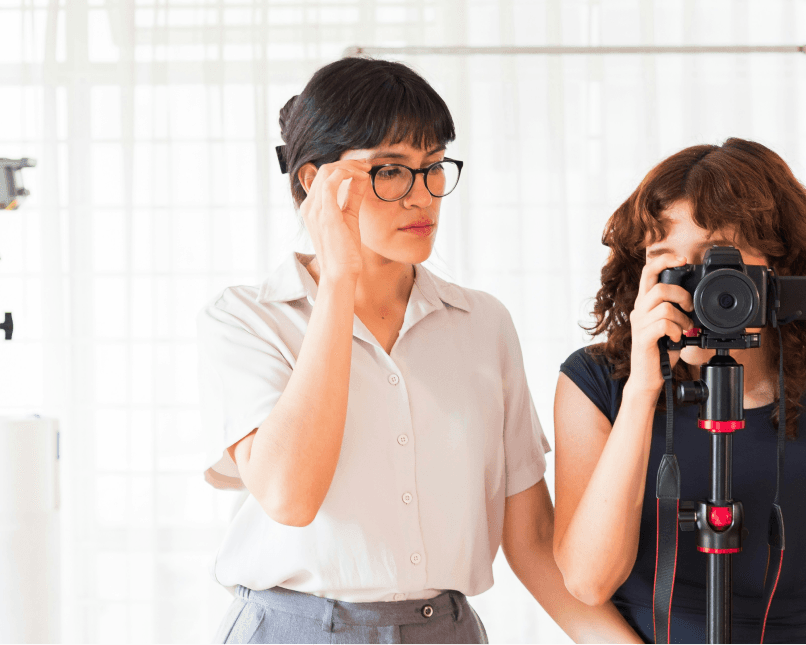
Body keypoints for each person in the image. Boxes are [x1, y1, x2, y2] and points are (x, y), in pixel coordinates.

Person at [198, 57, 640, 644]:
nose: (423, 196)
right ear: (315, 182)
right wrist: (337, 282)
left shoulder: (482, 324)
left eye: (433, 167)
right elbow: (289, 495)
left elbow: (531, 540)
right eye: (391, 171)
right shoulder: (247, 319)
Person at [553, 138, 806, 643]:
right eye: (668, 264)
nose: (692, 291)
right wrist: (642, 392)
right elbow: (588, 582)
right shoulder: (596, 387)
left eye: (715, 263)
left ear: (779, 273)